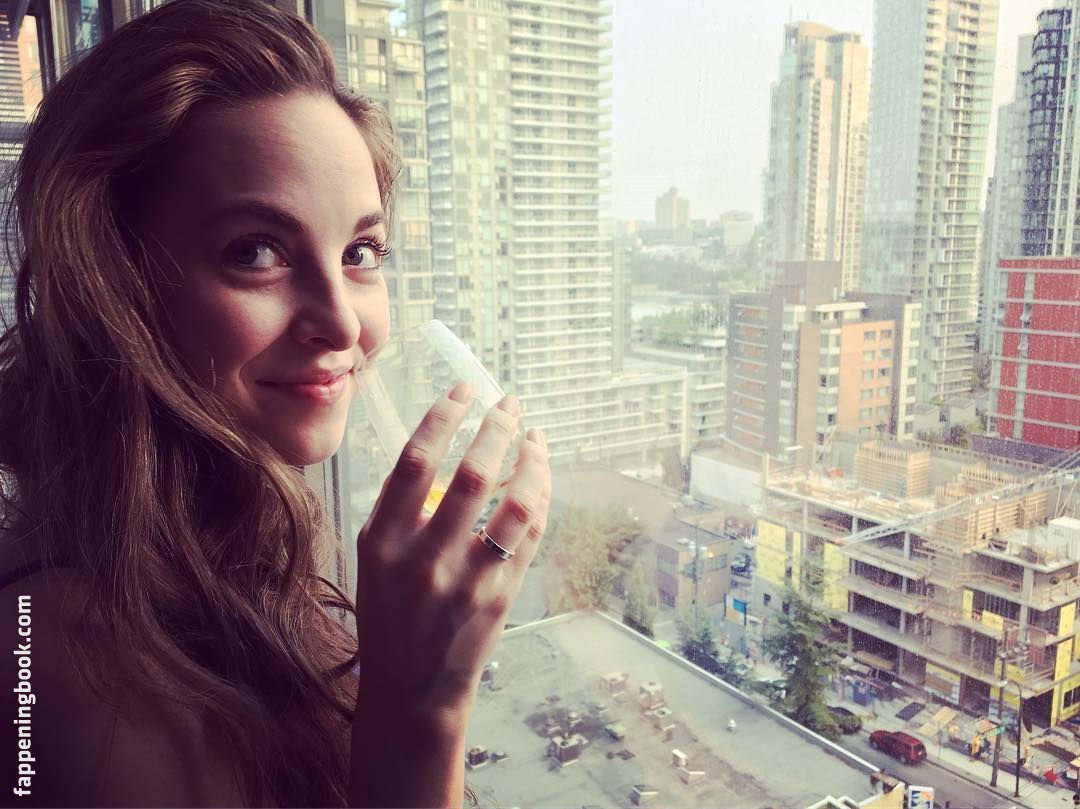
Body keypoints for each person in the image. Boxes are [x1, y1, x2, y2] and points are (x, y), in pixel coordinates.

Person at [0, 1, 551, 806]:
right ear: (111, 283)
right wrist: (421, 705)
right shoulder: (62, 667)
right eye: (256, 251)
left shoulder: (229, 552)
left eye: (360, 251)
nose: (344, 324)